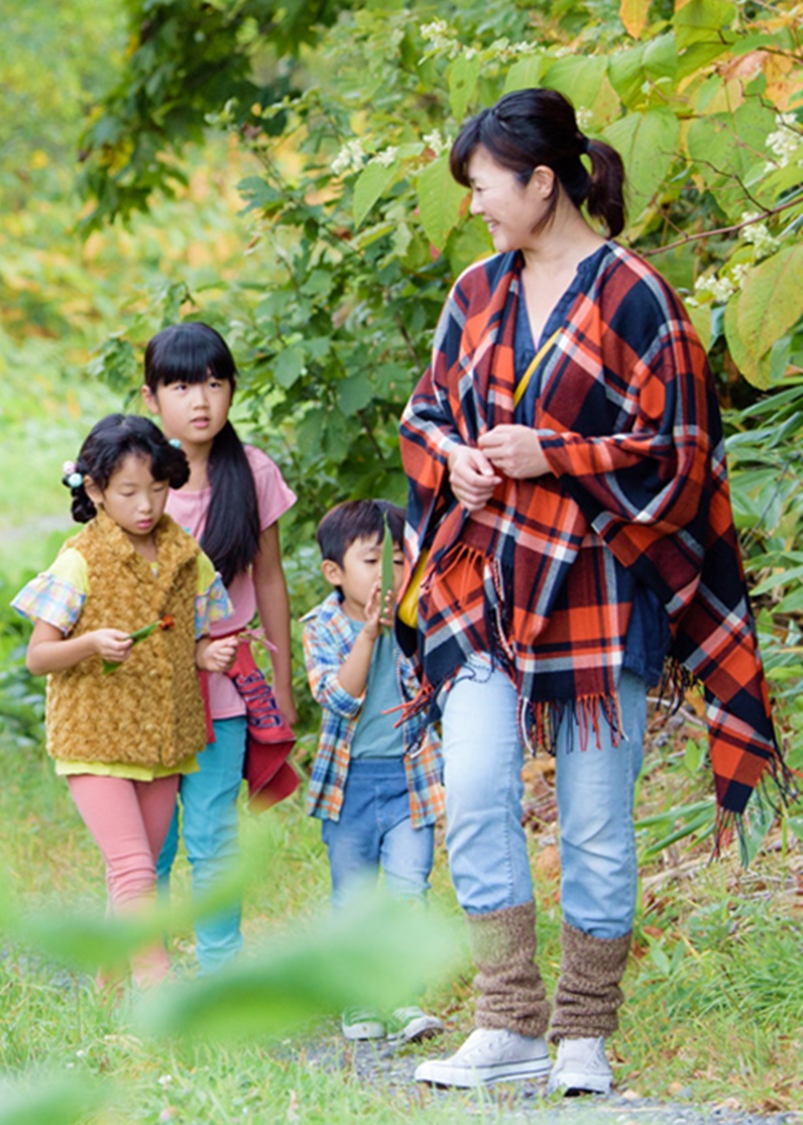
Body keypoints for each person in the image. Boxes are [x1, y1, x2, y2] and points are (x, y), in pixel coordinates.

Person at [401, 88, 785, 1095]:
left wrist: (549, 455)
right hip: (479, 585)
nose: (474, 207)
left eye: (482, 187)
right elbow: (423, 416)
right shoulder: (473, 293)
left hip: (599, 597)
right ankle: (507, 1021)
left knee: (593, 822)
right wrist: (459, 464)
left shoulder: (635, 296)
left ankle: (581, 1034)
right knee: (475, 792)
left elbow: (680, 458)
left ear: (540, 182)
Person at [13, 415, 233, 988]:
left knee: (131, 877)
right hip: (94, 737)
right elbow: (39, 656)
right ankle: (160, 997)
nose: (146, 505)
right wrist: (87, 643)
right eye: (129, 492)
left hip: (164, 737)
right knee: (135, 870)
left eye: (157, 490)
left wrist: (206, 654)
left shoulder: (188, 557)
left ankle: (108, 997)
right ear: (95, 491)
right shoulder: (80, 560)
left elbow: (197, 634)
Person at [140, 323, 298, 975]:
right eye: (180, 385)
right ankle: (141, 972)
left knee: (213, 834)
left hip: (226, 687)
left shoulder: (252, 471)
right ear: (152, 398)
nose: (200, 400)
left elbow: (269, 577)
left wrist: (283, 685)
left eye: (214, 382)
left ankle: (220, 975)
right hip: (148, 687)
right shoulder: (136, 474)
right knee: (152, 839)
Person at [298, 499, 445, 1044]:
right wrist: (369, 636)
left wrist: (404, 628)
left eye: (399, 561)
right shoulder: (323, 626)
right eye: (371, 561)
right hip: (350, 786)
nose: (391, 574)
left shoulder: (420, 618)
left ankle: (403, 997)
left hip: (412, 780)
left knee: (410, 890)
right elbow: (337, 698)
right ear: (334, 573)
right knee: (354, 897)